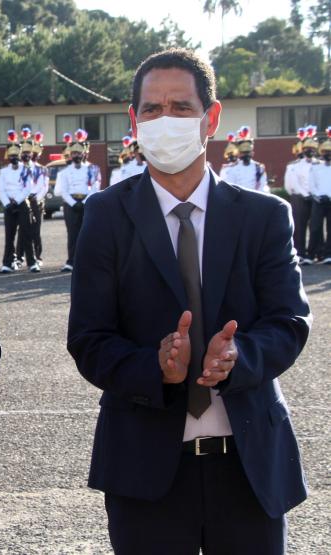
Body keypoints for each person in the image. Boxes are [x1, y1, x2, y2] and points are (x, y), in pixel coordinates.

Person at [68, 48, 311, 555]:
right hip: (145, 469)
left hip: (249, 469)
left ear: (211, 117)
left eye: (181, 107)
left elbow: (289, 321)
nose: (165, 120)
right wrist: (154, 367)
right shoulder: (105, 216)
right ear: (133, 120)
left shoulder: (265, 217)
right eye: (152, 110)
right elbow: (89, 339)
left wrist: (240, 356)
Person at [55, 129, 100, 272]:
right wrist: (74, 203)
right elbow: (63, 190)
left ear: (84, 154)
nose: (76, 155)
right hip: (71, 204)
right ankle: (71, 261)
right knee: (73, 233)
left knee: (88, 232)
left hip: (87, 203)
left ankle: (88, 260)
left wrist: (85, 202)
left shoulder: (93, 169)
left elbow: (95, 186)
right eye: (74, 153)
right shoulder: (65, 172)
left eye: (79, 153)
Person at [0, 137, 28, 273]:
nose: (13, 157)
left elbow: (27, 187)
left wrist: (17, 200)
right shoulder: (3, 172)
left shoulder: (26, 170)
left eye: (15, 155)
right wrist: (7, 203)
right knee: (9, 235)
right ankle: (7, 262)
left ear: (19, 155)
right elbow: (1, 189)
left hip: (21, 204)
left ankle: (27, 261)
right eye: (11, 155)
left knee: (24, 233)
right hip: (8, 205)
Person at [285, 129, 313, 264]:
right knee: (299, 227)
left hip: (314, 197)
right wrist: (304, 194)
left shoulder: (316, 164)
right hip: (299, 198)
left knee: (315, 226)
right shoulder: (294, 166)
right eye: (306, 148)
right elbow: (291, 185)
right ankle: (300, 252)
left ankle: (314, 252)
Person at [22, 129, 48, 270]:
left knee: (36, 231)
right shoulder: (21, 168)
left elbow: (43, 187)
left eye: (33, 154)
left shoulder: (41, 169)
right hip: (23, 200)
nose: (31, 156)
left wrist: (35, 199)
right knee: (23, 232)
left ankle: (38, 256)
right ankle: (20, 257)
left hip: (36, 201)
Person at [220, 126, 268, 192]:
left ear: (252, 153)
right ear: (239, 154)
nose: (246, 155)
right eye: (244, 153)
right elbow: (229, 189)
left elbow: (263, 187)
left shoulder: (259, 168)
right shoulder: (232, 169)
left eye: (247, 152)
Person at [308, 134, 331, 264]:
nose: (328, 154)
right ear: (321, 152)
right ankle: (312, 254)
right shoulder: (315, 167)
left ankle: (328, 254)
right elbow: (311, 184)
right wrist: (318, 196)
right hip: (318, 201)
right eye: (326, 152)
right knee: (315, 228)